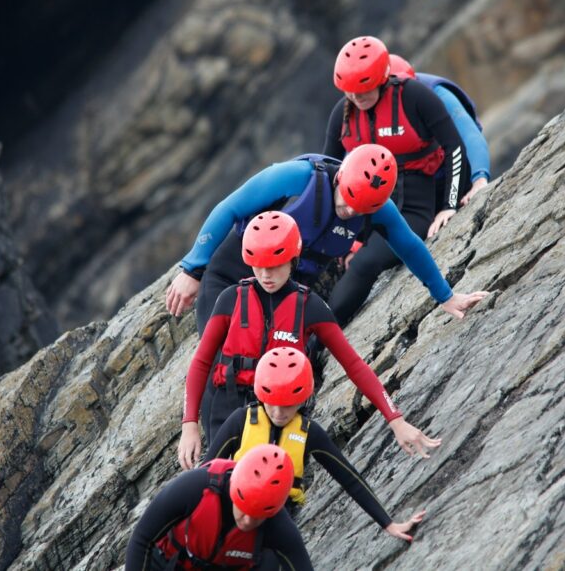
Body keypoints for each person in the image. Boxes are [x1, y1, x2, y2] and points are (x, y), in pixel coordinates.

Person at [178, 211, 440, 461]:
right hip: (226, 407)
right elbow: (201, 363)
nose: (266, 275)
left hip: (280, 412)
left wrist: (395, 419)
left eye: (275, 265)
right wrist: (189, 425)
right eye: (258, 265)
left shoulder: (310, 307)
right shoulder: (230, 299)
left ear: (292, 259)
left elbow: (354, 365)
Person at [165, 143, 487, 331]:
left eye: (357, 209)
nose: (347, 210)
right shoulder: (298, 177)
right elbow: (229, 208)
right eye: (345, 199)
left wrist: (446, 297)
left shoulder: (377, 210)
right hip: (235, 269)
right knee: (222, 355)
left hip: (286, 288)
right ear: (341, 176)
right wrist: (193, 269)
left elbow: (411, 248)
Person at [206, 347, 429, 542]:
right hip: (233, 507)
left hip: (276, 518)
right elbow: (205, 472)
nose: (278, 413)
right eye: (272, 403)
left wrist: (388, 523)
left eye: (287, 405)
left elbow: (349, 478)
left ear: (303, 398)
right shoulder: (241, 420)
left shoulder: (309, 432)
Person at [322, 36, 469, 324]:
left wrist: (449, 205)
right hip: (364, 209)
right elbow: (329, 174)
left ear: (381, 78)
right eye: (350, 91)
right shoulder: (342, 113)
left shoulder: (413, 96)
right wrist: (345, 237)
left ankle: (317, 337)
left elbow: (455, 146)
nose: (357, 97)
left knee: (366, 262)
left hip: (414, 207)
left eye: (364, 90)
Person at [125, 443, 312, 570]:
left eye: (257, 516)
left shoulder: (279, 527)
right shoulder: (195, 486)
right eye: (244, 508)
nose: (247, 521)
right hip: (168, 564)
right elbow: (142, 539)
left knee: (271, 563)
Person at [388, 53, 491, 208]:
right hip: (414, 189)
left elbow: (469, 134)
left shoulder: (435, 92)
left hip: (457, 174)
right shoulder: (366, 111)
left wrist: (479, 179)